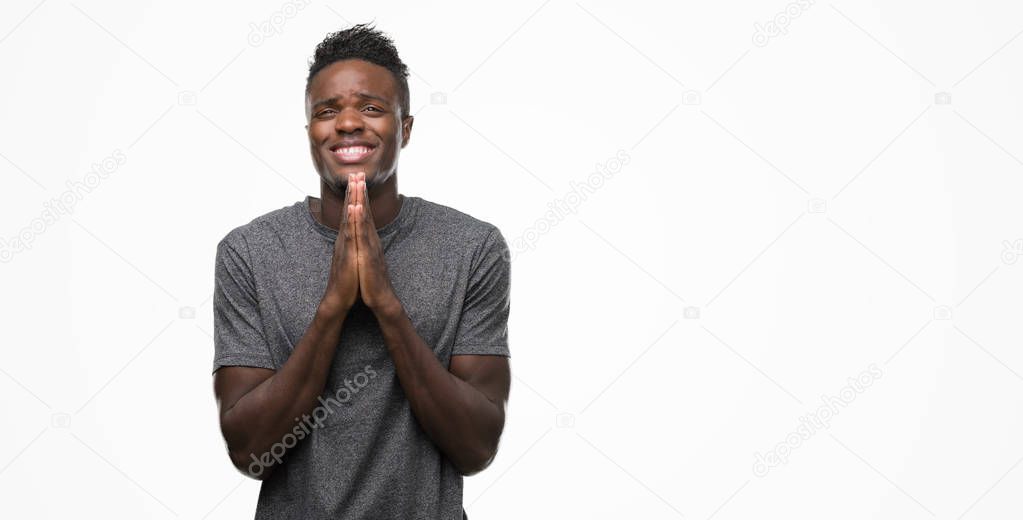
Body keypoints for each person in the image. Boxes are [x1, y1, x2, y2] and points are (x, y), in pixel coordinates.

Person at [211, 23, 511, 519]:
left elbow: (476, 448)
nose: (347, 124)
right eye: (327, 111)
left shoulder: (472, 248)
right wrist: (333, 306)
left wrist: (386, 305)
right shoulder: (250, 252)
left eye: (371, 108)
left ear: (405, 129)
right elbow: (249, 453)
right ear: (310, 131)